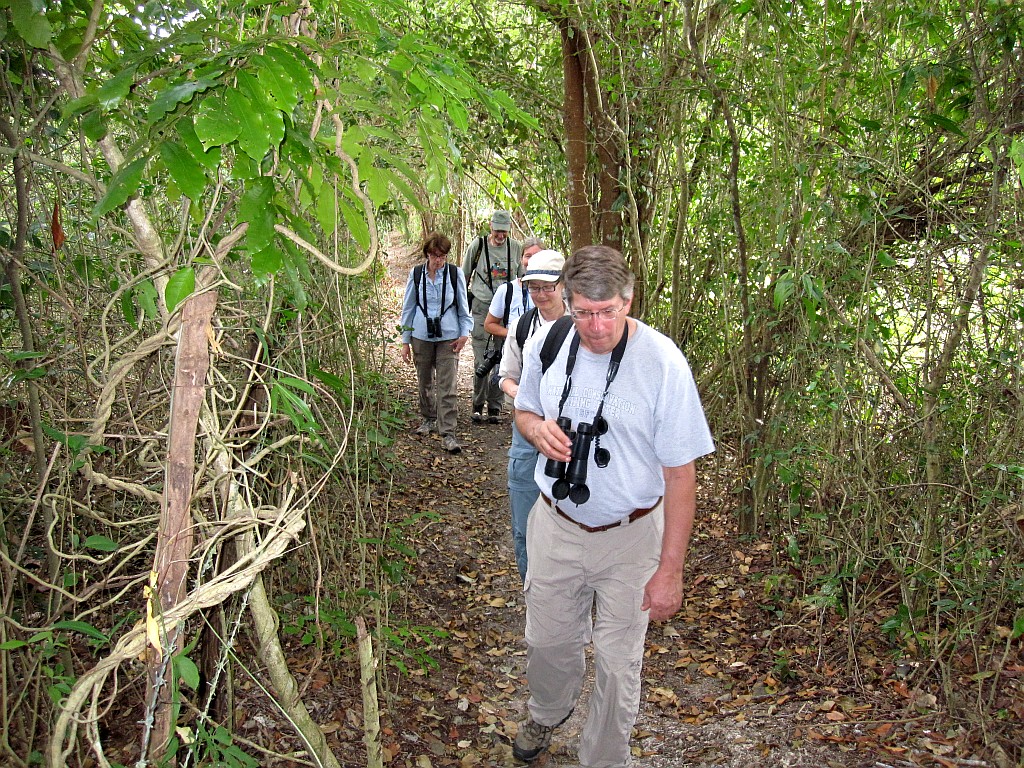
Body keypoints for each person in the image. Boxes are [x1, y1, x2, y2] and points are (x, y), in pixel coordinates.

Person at [511, 245, 715, 768]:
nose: (596, 326)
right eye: (583, 312)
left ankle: (603, 758)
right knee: (548, 642)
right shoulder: (550, 342)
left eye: (608, 312)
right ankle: (547, 711)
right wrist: (535, 429)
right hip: (557, 524)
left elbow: (680, 474)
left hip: (632, 534)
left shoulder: (663, 363)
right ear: (567, 302)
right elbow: (525, 407)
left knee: (619, 663)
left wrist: (671, 570)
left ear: (628, 301)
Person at [496, 248, 567, 582]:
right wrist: (522, 395)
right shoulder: (522, 327)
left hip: (570, 435)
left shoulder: (585, 326)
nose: (540, 294)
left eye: (547, 286)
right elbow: (506, 376)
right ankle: (533, 589)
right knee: (524, 524)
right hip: (526, 434)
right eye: (533, 287)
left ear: (563, 285)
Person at [400, 233, 473, 454]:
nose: (438, 260)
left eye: (442, 256)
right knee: (424, 380)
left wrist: (464, 333)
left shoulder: (454, 274)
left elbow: (463, 306)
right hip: (421, 335)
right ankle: (428, 418)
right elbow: (408, 308)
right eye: (434, 255)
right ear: (427, 254)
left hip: (448, 335)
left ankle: (448, 431)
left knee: (447, 384)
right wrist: (405, 340)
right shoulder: (416, 275)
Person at [462, 210, 523, 424]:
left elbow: (522, 279)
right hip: (482, 306)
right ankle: (477, 404)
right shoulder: (477, 246)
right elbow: (465, 275)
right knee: (482, 358)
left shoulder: (515, 248)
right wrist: (461, 307)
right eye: (497, 231)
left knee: (501, 358)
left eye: (504, 232)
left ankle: (495, 407)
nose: (501, 235)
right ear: (491, 227)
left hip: (506, 311)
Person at [480, 237, 545, 423]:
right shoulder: (507, 290)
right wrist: (516, 332)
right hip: (516, 352)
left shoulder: (554, 292)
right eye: (528, 255)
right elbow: (489, 324)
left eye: (537, 255)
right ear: (520, 259)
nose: (531, 260)